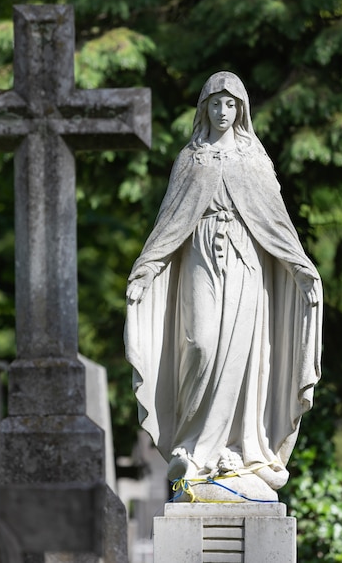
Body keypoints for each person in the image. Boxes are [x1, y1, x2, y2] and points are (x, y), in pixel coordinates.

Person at [124, 71, 322, 497]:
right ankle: (192, 445)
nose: (223, 111)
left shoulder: (254, 159)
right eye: (215, 103)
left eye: (231, 104)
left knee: (241, 356)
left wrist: (301, 267)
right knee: (201, 344)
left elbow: (276, 224)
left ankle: (236, 449)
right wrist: (145, 268)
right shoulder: (190, 159)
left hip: (246, 263)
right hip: (199, 257)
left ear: (241, 110)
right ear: (204, 108)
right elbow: (169, 223)